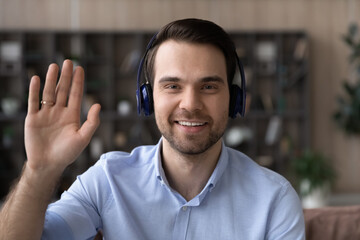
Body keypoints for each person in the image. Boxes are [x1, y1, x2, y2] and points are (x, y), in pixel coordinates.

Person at [0, 18, 305, 240]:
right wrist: (39, 170)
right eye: (172, 85)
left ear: (234, 98)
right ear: (147, 98)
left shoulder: (274, 200)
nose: (191, 103)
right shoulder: (108, 179)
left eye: (209, 86)